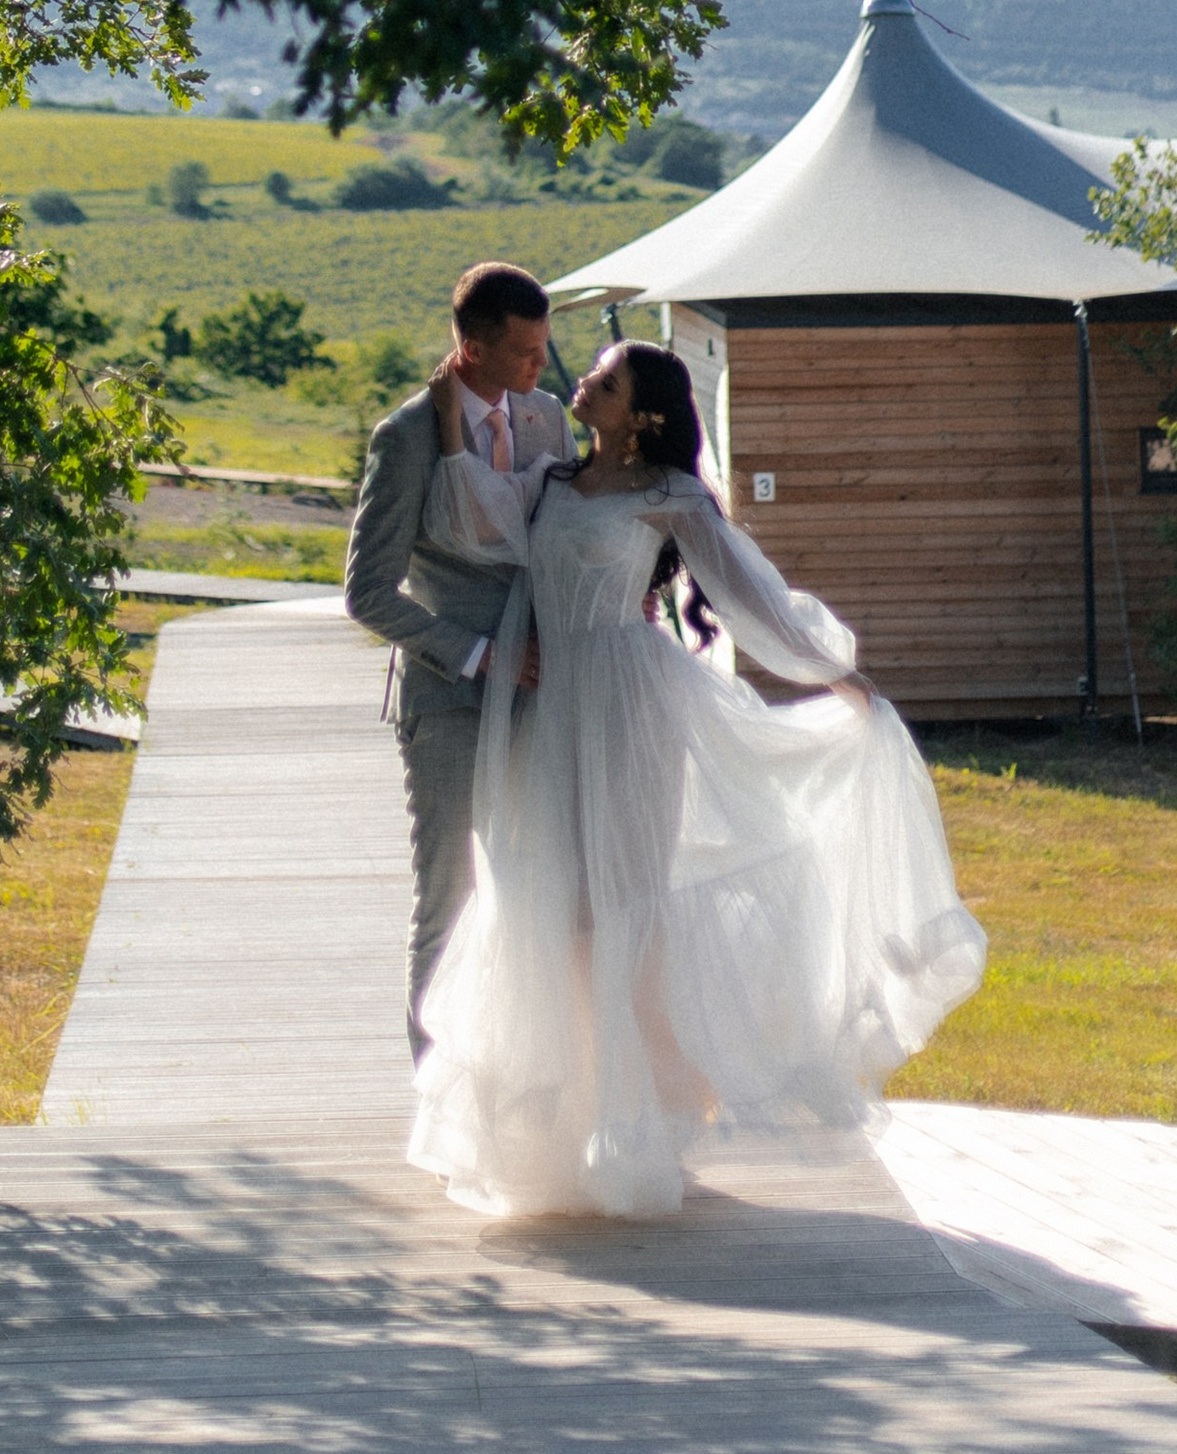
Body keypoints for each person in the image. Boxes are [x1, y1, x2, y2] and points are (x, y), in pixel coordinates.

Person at [405, 337, 986, 1219]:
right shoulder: (554, 482)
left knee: (625, 910)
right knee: (551, 910)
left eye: (603, 381)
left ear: (642, 414)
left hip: (633, 711)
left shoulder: (668, 495)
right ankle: (566, 1132)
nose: (583, 386)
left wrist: (829, 669)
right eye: (590, 375)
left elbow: (746, 588)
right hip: (553, 715)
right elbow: (476, 519)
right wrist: (451, 423)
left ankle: (640, 1131)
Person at [342, 261, 573, 1057]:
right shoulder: (404, 437)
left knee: (541, 895)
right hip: (449, 703)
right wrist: (480, 655)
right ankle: (439, 1104)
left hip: (546, 698)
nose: (540, 371)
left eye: (545, 350)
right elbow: (367, 592)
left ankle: (520, 1088)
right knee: (449, 901)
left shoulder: (547, 420)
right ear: (471, 349)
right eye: (524, 354)